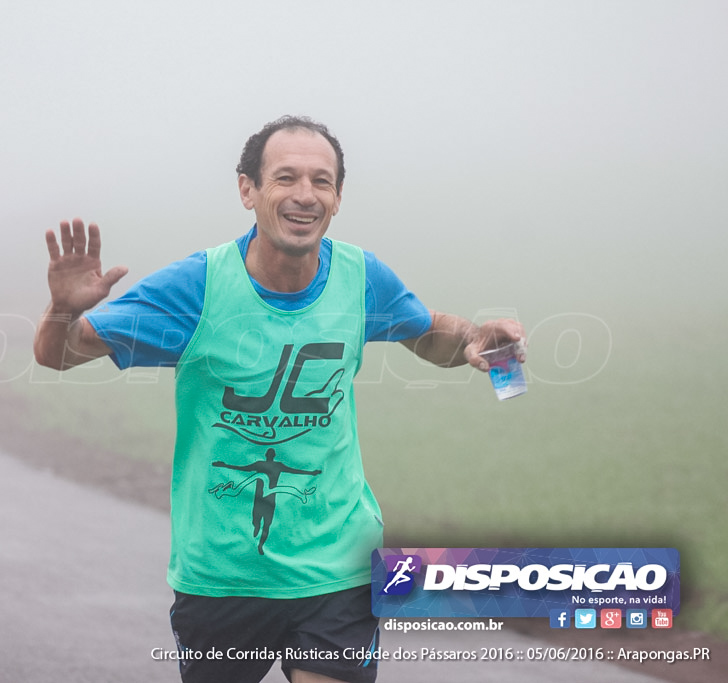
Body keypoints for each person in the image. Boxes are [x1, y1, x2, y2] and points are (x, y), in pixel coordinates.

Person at [33, 116, 526, 683]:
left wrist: (472, 341)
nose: (304, 195)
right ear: (248, 189)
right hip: (222, 575)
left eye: (321, 181)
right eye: (285, 177)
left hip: (340, 566)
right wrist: (63, 309)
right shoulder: (196, 287)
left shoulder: (360, 277)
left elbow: (427, 332)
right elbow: (60, 353)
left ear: (338, 197)